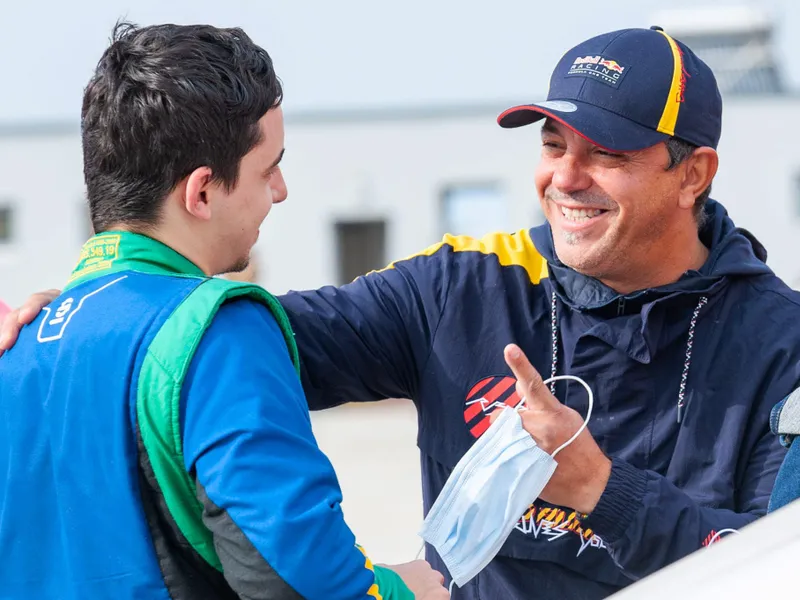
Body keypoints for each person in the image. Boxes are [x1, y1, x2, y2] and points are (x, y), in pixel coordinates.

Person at [6, 24, 800, 599]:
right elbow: (216, 349)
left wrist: (601, 488)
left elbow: (775, 567)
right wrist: (96, 314)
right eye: (554, 145)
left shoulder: (781, 343)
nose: (567, 178)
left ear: (694, 172)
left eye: (609, 155)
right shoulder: (460, 287)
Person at [0, 22, 447, 600]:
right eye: (269, 168)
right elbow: (297, 581)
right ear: (202, 192)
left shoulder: (20, 341)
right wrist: (406, 589)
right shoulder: (217, 329)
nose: (281, 190)